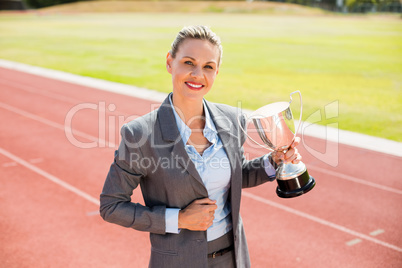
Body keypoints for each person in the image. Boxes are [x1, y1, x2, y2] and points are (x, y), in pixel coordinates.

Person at [100, 25, 302, 268]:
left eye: (208, 66)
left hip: (233, 258)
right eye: (188, 62)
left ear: (217, 72)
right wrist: (179, 219)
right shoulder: (140, 135)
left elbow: (236, 175)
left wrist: (274, 163)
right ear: (169, 62)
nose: (198, 74)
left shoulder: (232, 120)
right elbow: (111, 205)